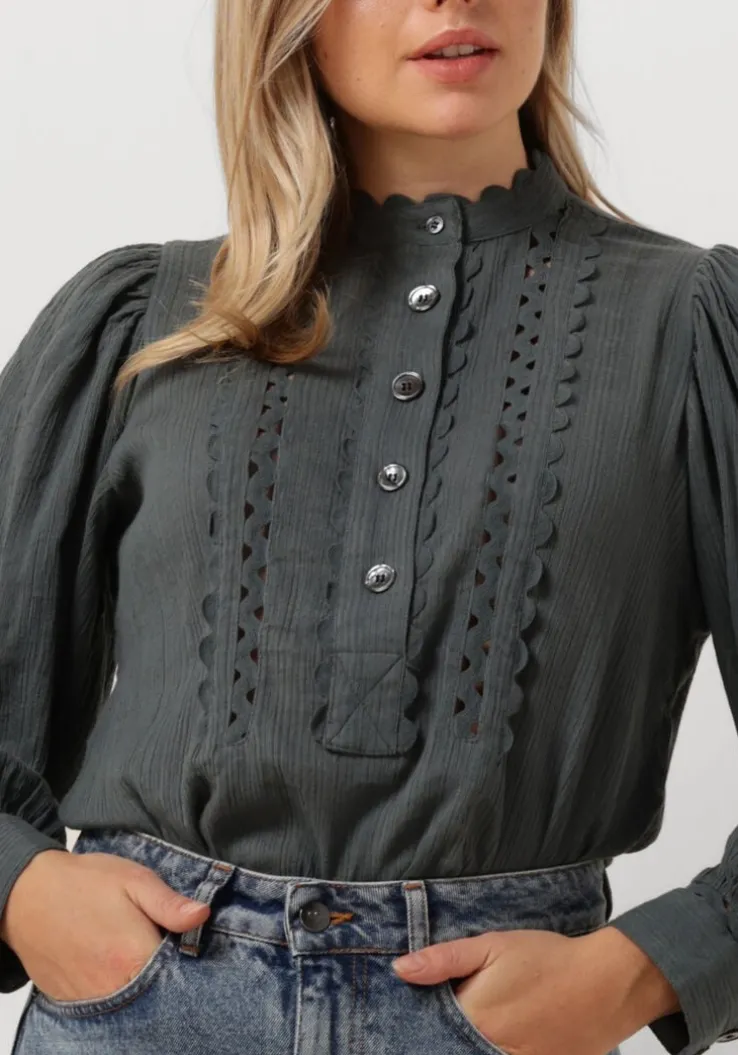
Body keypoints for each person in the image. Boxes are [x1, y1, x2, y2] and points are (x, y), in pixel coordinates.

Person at [2, 0, 737, 1053]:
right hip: (144, 1007)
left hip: (501, 1018)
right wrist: (21, 887)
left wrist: (645, 968)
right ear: (287, 20)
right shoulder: (148, 320)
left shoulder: (693, 326)